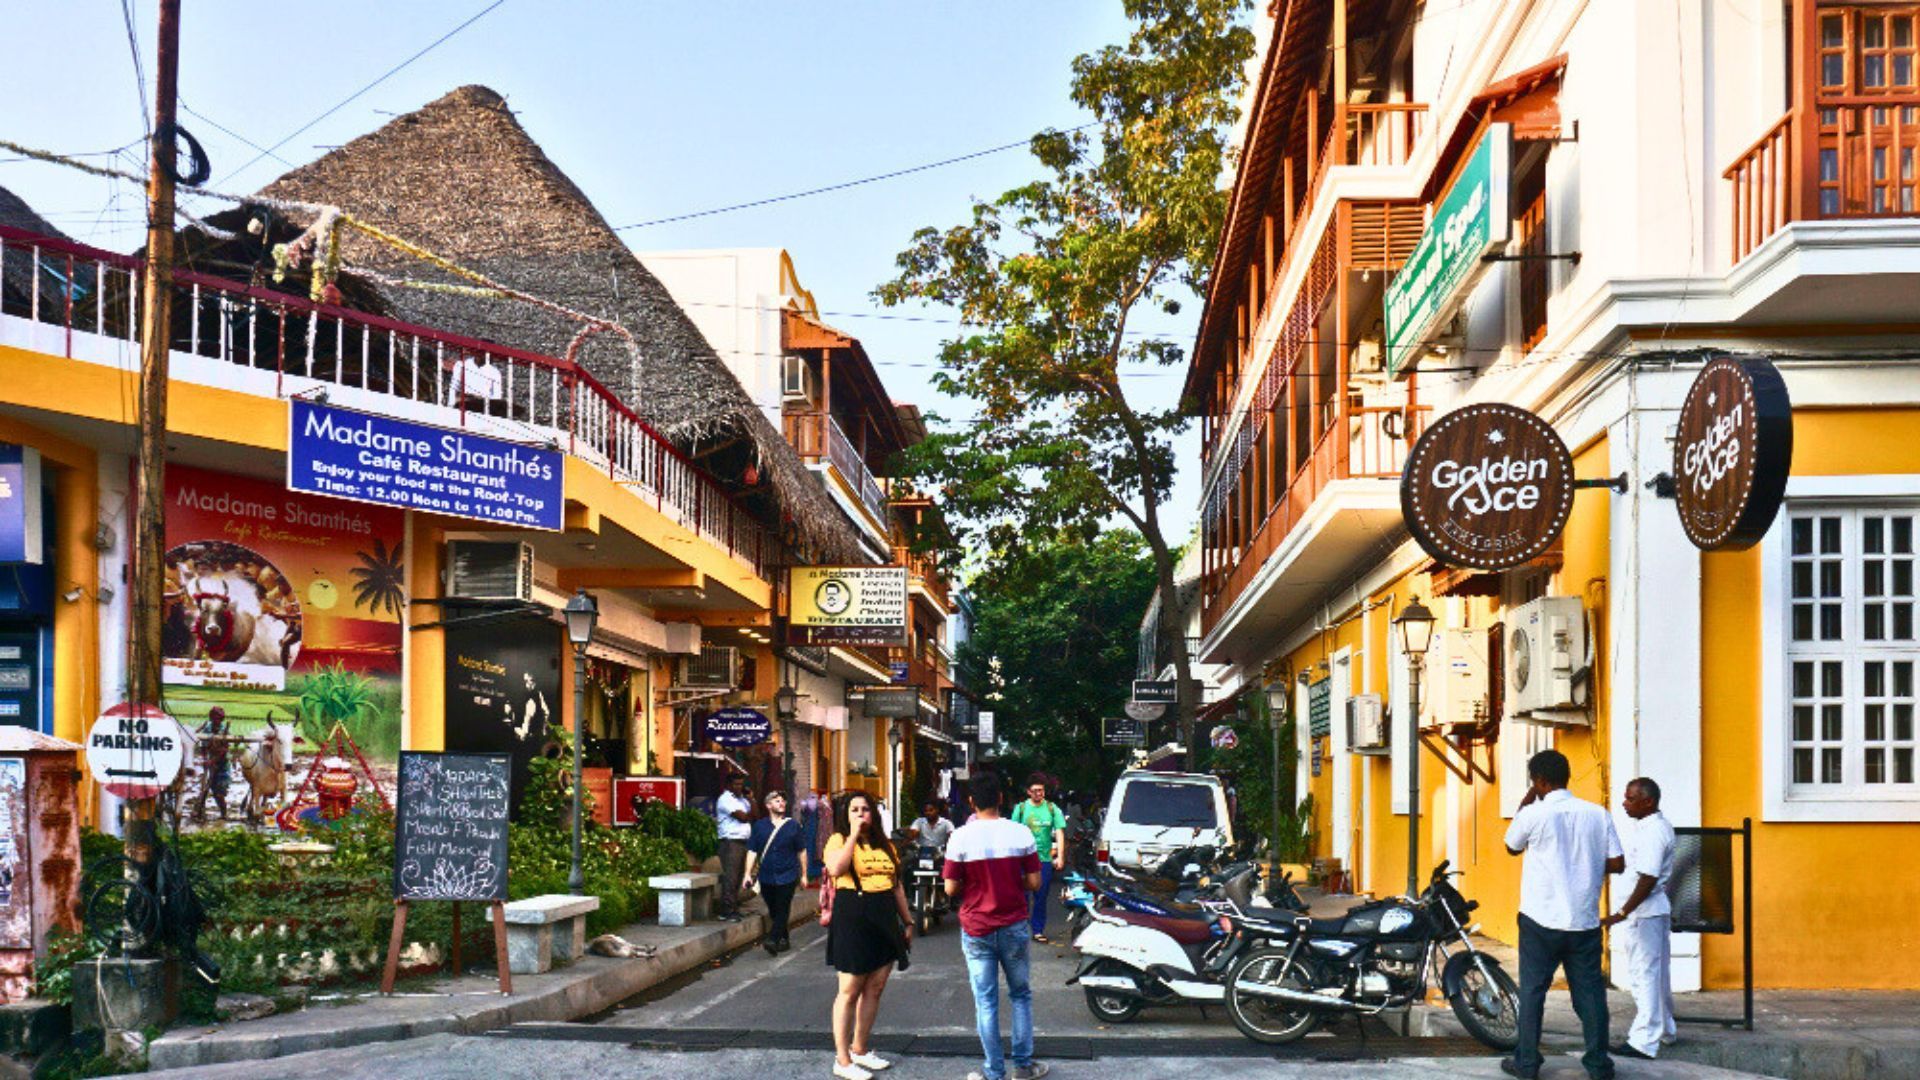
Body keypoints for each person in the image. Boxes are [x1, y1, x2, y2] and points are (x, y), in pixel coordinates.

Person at [1502, 750, 1625, 1080]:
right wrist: (1583, 864)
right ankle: (1599, 1066)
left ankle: (1526, 1064)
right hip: (1584, 920)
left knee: (1532, 992)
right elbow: (1617, 864)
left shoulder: (1533, 814)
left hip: (1540, 920)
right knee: (1591, 995)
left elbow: (1512, 845)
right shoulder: (1598, 814)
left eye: (1534, 782)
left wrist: (1529, 798)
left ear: (1540, 781)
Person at [944, 772, 1048, 1080]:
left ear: (971, 802)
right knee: (1020, 994)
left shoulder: (960, 837)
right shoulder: (1021, 834)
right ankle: (1024, 1066)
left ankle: (993, 1071)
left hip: (977, 928)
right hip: (1014, 924)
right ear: (1001, 798)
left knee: (986, 1000)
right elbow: (1034, 881)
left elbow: (950, 888)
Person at [823, 791, 911, 1080]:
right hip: (854, 916)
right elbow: (836, 868)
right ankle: (843, 1059)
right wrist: (851, 836)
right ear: (845, 815)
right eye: (854, 810)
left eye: (865, 809)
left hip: (884, 915)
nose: (861, 814)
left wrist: (908, 921)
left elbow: (896, 885)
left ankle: (860, 1049)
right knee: (849, 989)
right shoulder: (837, 840)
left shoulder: (886, 846)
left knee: (875, 987)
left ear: (874, 814)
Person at [1604, 777, 1677, 1061]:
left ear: (1648, 801)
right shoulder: (1650, 827)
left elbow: (1647, 878)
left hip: (1646, 913)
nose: (1624, 803)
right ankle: (1666, 1030)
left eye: (1630, 799)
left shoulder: (1653, 832)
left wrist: (1621, 913)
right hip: (1649, 912)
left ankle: (1644, 1041)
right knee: (1656, 976)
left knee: (1644, 975)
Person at [744, 789, 810, 955]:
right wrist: (747, 874)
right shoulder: (759, 826)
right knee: (774, 909)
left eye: (782, 800)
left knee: (783, 907)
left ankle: (772, 939)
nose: (781, 803)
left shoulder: (793, 826)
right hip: (766, 876)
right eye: (776, 800)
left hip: (787, 875)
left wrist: (804, 874)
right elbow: (752, 851)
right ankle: (784, 939)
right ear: (768, 805)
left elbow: (801, 851)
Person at [1009, 775, 1067, 943]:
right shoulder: (1020, 809)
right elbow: (1013, 833)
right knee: (1022, 896)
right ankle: (1020, 929)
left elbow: (1060, 833)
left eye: (1040, 790)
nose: (1038, 794)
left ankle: (1038, 930)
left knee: (1041, 896)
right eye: (1034, 791)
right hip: (1023, 860)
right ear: (1028, 792)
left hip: (1044, 859)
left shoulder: (1051, 808)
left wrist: (1061, 856)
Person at [714, 773, 754, 922]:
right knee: (730, 877)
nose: (739, 787)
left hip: (743, 841)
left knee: (738, 877)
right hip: (730, 842)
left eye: (741, 784)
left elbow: (755, 814)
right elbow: (742, 817)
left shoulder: (743, 800)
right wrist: (748, 814)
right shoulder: (725, 799)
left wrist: (751, 797)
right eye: (736, 784)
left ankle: (734, 907)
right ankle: (726, 910)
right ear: (729, 785)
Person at [193, 707, 233, 821]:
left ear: (221, 719)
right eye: (215, 717)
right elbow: (203, 747)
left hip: (223, 765)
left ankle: (224, 814)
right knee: (205, 789)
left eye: (219, 718)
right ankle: (199, 810)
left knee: (219, 793)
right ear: (211, 717)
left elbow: (225, 749)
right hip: (210, 765)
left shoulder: (225, 730)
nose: (217, 720)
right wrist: (205, 759)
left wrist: (213, 760)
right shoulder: (207, 729)